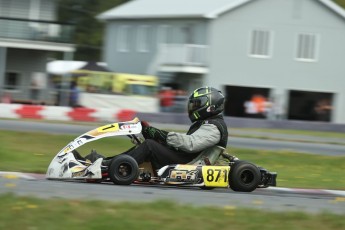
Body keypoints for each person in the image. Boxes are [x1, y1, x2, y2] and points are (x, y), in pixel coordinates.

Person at [85, 86, 229, 170]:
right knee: (148, 143)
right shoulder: (206, 123)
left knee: (150, 146)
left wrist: (160, 135)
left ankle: (110, 165)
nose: (192, 108)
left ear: (211, 106)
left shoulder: (215, 127)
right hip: (185, 157)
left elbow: (191, 144)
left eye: (196, 105)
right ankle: (108, 162)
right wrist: (154, 134)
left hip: (188, 164)